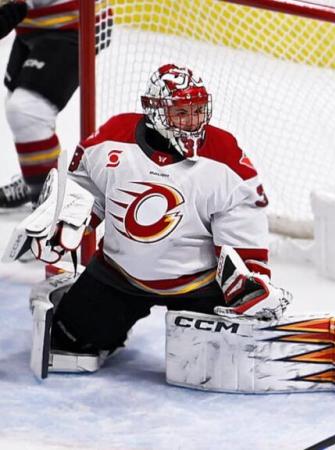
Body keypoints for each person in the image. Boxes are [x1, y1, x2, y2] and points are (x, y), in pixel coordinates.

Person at [11, 64, 290, 373]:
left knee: (209, 367)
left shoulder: (223, 156)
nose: (192, 121)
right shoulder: (113, 138)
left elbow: (242, 219)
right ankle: (69, 299)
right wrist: (67, 222)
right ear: (152, 109)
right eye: (181, 112)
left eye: (198, 110)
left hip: (196, 286)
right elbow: (85, 187)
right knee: (69, 343)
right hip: (118, 274)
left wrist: (249, 279)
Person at [0, 0, 80, 207]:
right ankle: (37, 179)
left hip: (75, 21)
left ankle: (53, 208)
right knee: (19, 105)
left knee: (27, 110)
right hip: (32, 24)